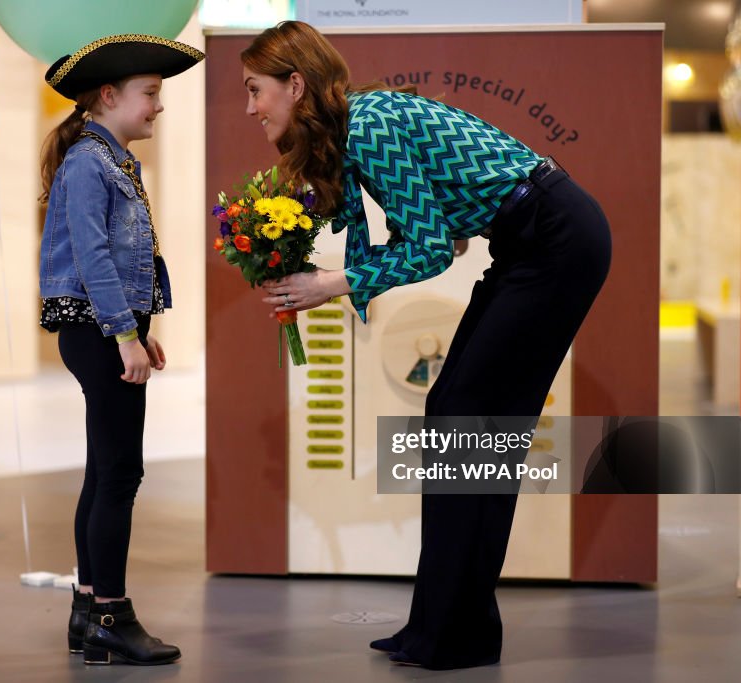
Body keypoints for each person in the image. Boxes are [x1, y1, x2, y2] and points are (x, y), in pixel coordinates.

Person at [241, 21, 611, 670]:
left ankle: (457, 631)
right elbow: (443, 216)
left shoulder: (369, 125)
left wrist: (331, 282)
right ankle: (439, 622)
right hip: (529, 240)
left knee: (472, 425)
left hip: (555, 241)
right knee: (455, 417)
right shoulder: (355, 127)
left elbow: (433, 247)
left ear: (295, 85)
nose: (250, 107)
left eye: (256, 90)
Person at [38, 34, 204, 666]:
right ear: (109, 96)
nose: (158, 106)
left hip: (103, 325)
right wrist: (123, 332)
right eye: (151, 94)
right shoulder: (89, 162)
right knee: (121, 475)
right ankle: (112, 615)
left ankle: (87, 610)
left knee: (103, 471)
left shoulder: (109, 159)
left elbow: (112, 256)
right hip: (98, 328)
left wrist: (138, 324)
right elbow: (92, 256)